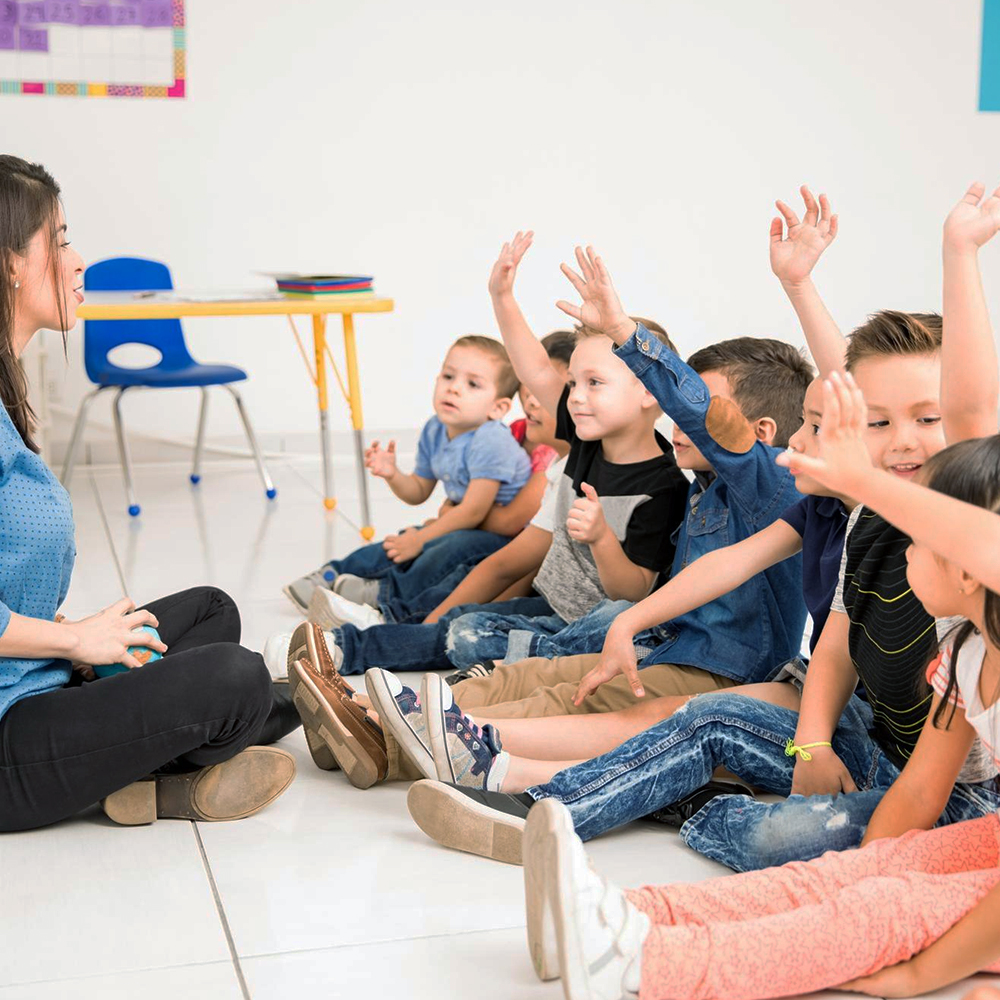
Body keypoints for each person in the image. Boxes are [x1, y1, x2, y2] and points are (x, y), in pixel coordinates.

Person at [517, 380, 1000, 1000]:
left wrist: (923, 970)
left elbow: (972, 405)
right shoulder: (966, 652)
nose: (903, 550)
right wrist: (862, 873)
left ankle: (650, 964)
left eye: (919, 542)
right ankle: (624, 919)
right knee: (854, 879)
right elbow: (920, 790)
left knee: (891, 909)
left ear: (969, 566)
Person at [0, 155, 300, 832]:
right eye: (62, 239)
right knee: (235, 679)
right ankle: (298, 708)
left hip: (35, 679)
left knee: (210, 613)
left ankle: (282, 709)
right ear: (12, 262)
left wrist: (75, 640)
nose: (79, 262)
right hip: (7, 738)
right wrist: (77, 642)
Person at [282, 334, 531, 617]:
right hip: (464, 523)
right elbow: (418, 491)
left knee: (442, 547)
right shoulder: (436, 428)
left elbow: (474, 512)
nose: (454, 389)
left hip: (503, 540)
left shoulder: (491, 440)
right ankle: (331, 576)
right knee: (401, 540)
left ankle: (382, 592)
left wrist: (422, 538)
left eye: (472, 384)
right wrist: (393, 474)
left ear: (497, 408)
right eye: (448, 376)